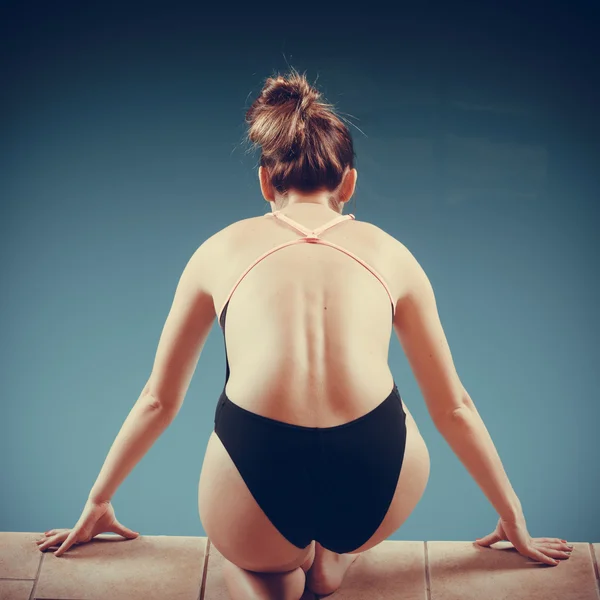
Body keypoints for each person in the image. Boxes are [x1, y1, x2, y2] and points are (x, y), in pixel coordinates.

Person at [36, 68, 573, 600]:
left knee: (253, 561)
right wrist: (512, 516)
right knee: (373, 448)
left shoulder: (217, 251)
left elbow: (159, 400)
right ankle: (330, 560)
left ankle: (273, 572)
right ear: (349, 183)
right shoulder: (393, 255)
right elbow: (453, 406)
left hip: (255, 477)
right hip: (379, 484)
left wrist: (99, 499)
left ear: (266, 181)